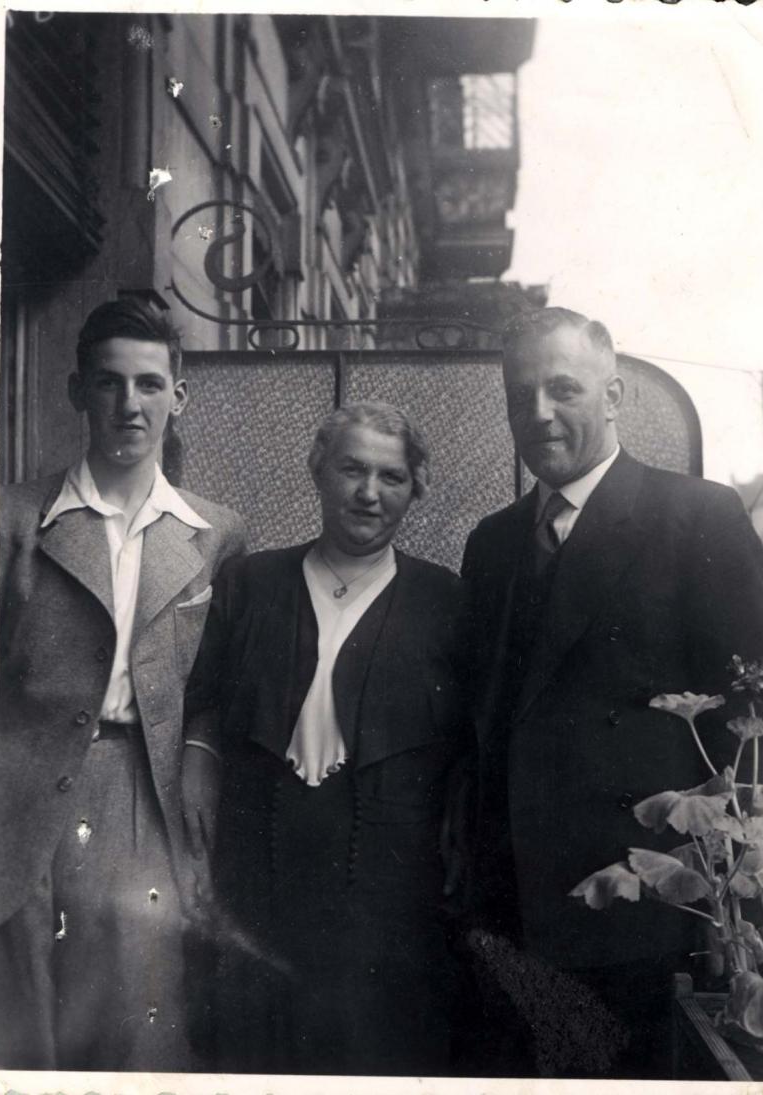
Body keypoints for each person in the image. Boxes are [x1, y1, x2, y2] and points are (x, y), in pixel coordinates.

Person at [461, 307, 763, 1078]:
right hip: (509, 903)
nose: (538, 413)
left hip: (642, 908)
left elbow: (754, 715)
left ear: (613, 398)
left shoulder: (697, 514)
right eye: (520, 394)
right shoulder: (493, 542)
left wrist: (731, 898)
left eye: (563, 389)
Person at [0, 297, 246, 1071]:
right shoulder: (15, 519)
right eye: (108, 383)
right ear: (77, 392)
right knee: (25, 1024)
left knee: (139, 1023)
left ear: (179, 393)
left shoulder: (217, 533)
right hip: (22, 792)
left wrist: (200, 749)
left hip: (146, 792)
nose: (129, 404)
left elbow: (220, 681)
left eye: (148, 383)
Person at [183, 401, 469, 1076]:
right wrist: (198, 755)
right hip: (258, 875)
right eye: (351, 469)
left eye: (391, 476)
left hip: (386, 890)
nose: (369, 492)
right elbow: (201, 701)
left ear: (414, 489)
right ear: (318, 472)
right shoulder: (248, 585)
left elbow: (469, 744)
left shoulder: (447, 603)